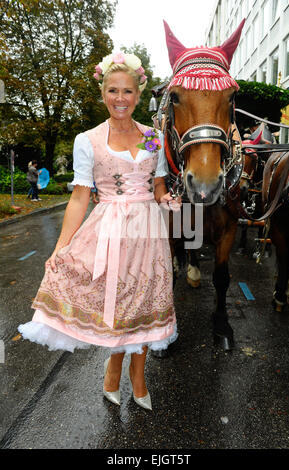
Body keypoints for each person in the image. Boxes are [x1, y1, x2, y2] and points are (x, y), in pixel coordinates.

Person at [18, 51, 180, 411]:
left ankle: (138, 378)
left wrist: (169, 199)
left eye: (127, 91)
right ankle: (114, 367)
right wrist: (61, 247)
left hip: (149, 233)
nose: (120, 98)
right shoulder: (87, 140)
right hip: (109, 229)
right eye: (112, 90)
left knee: (143, 304)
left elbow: (157, 186)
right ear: (103, 93)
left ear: (138, 96)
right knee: (119, 304)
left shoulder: (154, 137)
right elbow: (79, 198)